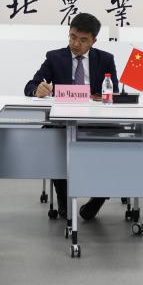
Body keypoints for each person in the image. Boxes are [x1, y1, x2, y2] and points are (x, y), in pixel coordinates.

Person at [23, 13, 117, 220]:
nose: (76, 44)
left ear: (93, 41)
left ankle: (98, 198)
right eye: (72, 37)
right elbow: (30, 86)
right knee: (54, 144)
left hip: (95, 123)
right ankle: (64, 201)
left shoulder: (105, 60)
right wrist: (37, 90)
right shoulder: (55, 57)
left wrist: (99, 99)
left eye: (83, 40)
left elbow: (114, 94)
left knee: (112, 147)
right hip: (62, 123)